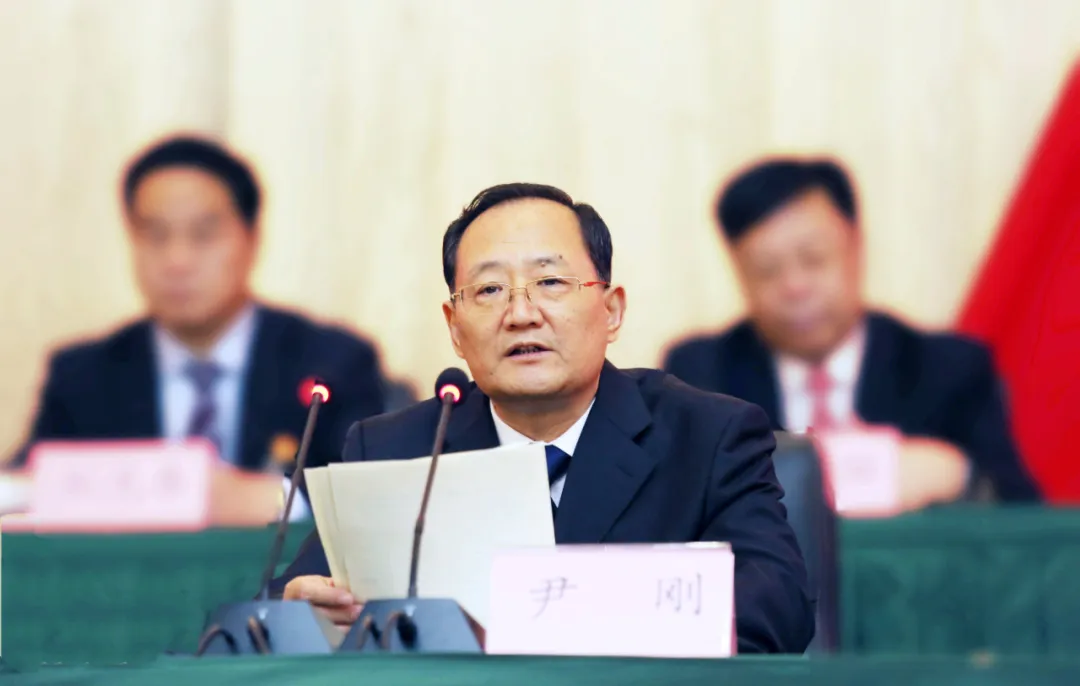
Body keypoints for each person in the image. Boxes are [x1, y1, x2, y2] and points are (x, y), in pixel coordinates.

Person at [273, 182, 814, 654]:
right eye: (489, 290)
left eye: (551, 282)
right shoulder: (394, 451)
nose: (521, 313)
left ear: (612, 311)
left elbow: (779, 607)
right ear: (455, 328)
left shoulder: (709, 437)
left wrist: (572, 615)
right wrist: (302, 614)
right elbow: (280, 610)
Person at [12, 135, 388, 517]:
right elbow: (27, 490)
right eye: (155, 235)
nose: (177, 260)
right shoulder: (83, 377)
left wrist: (277, 498)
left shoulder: (332, 363)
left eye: (204, 235)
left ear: (252, 239)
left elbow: (371, 493)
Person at [662, 158, 1041, 507]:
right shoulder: (701, 378)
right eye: (766, 270)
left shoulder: (946, 369)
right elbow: (662, 507)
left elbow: (1030, 526)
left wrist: (961, 476)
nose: (794, 287)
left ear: (856, 248)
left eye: (813, 259)